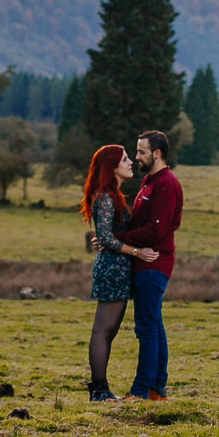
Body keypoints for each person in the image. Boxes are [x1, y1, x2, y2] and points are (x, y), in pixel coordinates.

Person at [112, 130, 181, 401]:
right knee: (154, 325)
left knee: (146, 327)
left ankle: (140, 391)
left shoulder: (165, 184)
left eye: (141, 152)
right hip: (145, 262)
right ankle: (157, 388)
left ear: (157, 153)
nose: (137, 156)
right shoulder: (149, 182)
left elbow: (155, 230)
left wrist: (116, 239)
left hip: (153, 263)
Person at [80, 144, 139, 401]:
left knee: (109, 330)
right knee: (102, 330)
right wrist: (136, 252)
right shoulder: (105, 196)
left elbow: (104, 236)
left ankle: (100, 388)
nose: (130, 163)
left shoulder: (112, 195)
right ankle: (99, 389)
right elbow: (104, 236)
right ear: (112, 166)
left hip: (117, 269)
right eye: (125, 159)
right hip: (112, 269)